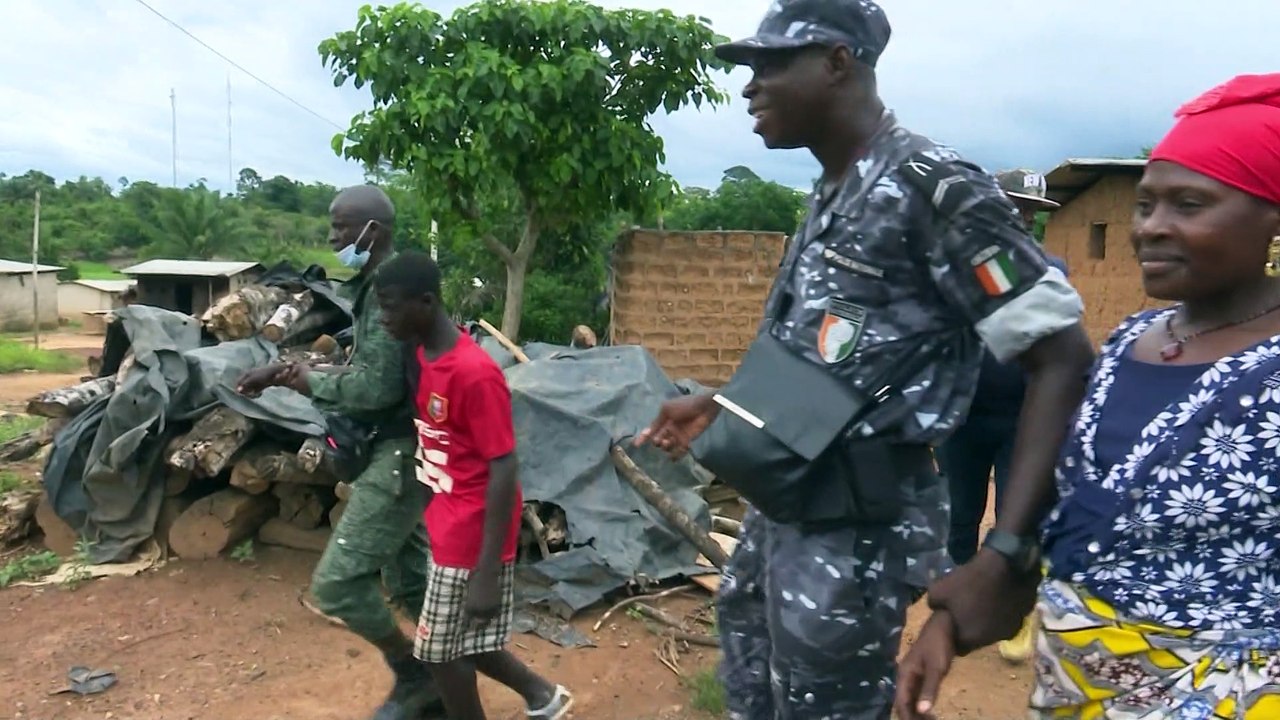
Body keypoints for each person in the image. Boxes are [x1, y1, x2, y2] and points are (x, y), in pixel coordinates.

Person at [634, 1, 1095, 717]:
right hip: (783, 503)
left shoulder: (932, 189)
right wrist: (721, 401)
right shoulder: (832, 189)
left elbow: (1063, 358)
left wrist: (1006, 550)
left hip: (852, 532)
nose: (749, 86)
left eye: (769, 64)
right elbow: (825, 358)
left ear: (838, 62)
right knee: (754, 692)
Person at [897, 73, 1280, 719]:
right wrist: (951, 624)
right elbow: (1076, 509)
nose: (1150, 229)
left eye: (1189, 204)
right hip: (1076, 683)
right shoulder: (1134, 340)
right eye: (1145, 205)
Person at [236, 185, 444, 720]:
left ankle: (415, 673)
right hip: (398, 449)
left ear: (375, 230)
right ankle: (452, 676)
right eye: (333, 226)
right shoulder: (376, 285)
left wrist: (306, 383)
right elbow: (367, 370)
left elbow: (377, 390)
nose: (334, 237)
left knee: (337, 585)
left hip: (398, 453)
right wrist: (285, 373)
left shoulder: (388, 292)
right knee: (410, 579)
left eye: (343, 226)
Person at [373, 249, 573, 720]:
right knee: (467, 642)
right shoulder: (425, 355)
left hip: (472, 535)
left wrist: (487, 570)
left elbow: (504, 467)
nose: (383, 318)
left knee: (440, 654)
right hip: (447, 523)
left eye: (390, 306)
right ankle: (544, 697)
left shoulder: (474, 373)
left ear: (425, 302)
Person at [934, 168, 1068, 663]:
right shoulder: (956, 273)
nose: (1024, 217)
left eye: (1032, 211)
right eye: (1014, 207)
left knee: (1017, 516)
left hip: (1023, 418)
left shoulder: (1050, 271)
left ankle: (1019, 609)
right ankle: (964, 603)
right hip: (963, 418)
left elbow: (1061, 354)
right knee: (958, 516)